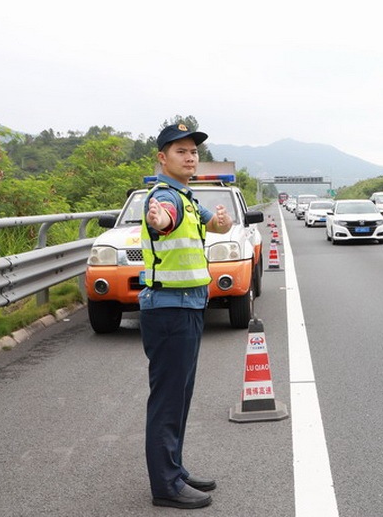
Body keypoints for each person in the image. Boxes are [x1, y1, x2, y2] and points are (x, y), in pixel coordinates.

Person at [139, 123, 233, 509]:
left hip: (188, 307)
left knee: (180, 397)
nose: (191, 157)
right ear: (163, 158)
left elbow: (214, 223)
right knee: (167, 399)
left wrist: (223, 222)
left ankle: (174, 470)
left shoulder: (188, 196)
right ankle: (165, 485)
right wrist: (158, 221)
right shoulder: (165, 199)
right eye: (181, 151)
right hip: (170, 311)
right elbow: (160, 221)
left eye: (194, 152)